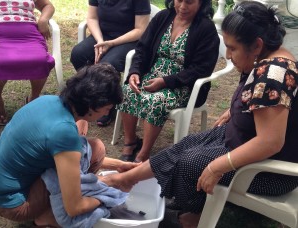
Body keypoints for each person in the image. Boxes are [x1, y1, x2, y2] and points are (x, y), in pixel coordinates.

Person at [100, 1, 298, 227]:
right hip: (243, 139)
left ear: (257, 45)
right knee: (185, 145)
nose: (229, 56)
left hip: (267, 172)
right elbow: (266, 102)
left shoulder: (273, 75)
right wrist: (233, 111)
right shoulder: (269, 57)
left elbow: (270, 142)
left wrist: (218, 166)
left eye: (232, 49)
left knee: (191, 162)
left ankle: (191, 217)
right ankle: (126, 180)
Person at [0, 63, 140, 227]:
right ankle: (47, 216)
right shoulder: (64, 134)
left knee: (87, 135)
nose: (108, 113)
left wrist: (120, 165)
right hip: (15, 204)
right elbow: (75, 208)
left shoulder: (47, 100)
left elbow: (68, 158)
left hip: (4, 187)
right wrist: (111, 183)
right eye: (107, 108)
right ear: (92, 105)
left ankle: (55, 203)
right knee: (96, 149)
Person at [117, 0, 220, 162]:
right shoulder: (163, 17)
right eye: (179, 0)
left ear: (201, 3)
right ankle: (130, 142)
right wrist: (135, 72)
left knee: (156, 101)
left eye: (189, 2)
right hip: (152, 76)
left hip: (184, 84)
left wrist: (166, 81)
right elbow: (142, 48)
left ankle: (144, 154)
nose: (182, 6)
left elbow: (201, 69)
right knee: (128, 91)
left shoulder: (206, 29)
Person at [70, 0, 151, 127]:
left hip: (128, 40)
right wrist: (100, 40)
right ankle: (90, 95)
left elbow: (140, 30)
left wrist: (112, 43)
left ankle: (108, 103)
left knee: (108, 65)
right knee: (78, 54)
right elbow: (92, 18)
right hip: (102, 35)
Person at [0, 0, 55, 126]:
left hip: (28, 34)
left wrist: (43, 20)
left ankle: (33, 98)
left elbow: (48, 5)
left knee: (40, 60)